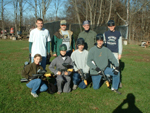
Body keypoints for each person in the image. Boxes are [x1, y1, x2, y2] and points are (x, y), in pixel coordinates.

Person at [103, 20, 123, 87]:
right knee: (108, 66)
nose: (111, 27)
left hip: (115, 52)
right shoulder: (105, 33)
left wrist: (120, 53)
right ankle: (109, 79)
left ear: (114, 26)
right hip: (108, 53)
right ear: (108, 26)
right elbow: (104, 43)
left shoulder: (118, 33)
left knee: (116, 67)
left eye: (112, 26)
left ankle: (118, 81)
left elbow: (120, 44)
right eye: (110, 26)